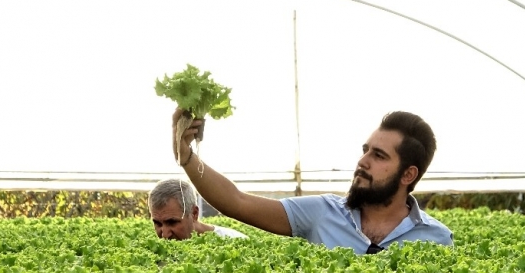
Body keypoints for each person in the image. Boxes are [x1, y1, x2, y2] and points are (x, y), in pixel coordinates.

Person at [171, 108, 453, 254]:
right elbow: (237, 202)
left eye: (379, 156)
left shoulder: (437, 239)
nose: (363, 161)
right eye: (365, 150)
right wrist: (186, 155)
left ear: (408, 175)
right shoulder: (322, 212)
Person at [148, 178, 248, 240]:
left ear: (194, 213)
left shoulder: (234, 240)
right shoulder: (154, 254)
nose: (165, 235)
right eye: (158, 223)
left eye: (172, 222)